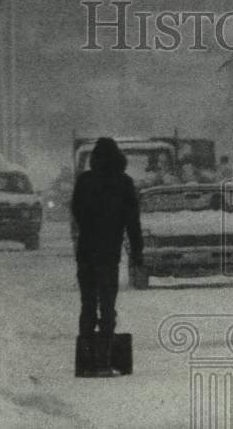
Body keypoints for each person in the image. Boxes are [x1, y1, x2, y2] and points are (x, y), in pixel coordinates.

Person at [71, 137, 143, 375]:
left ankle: (87, 359)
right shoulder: (124, 183)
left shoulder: (84, 181)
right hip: (109, 252)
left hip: (86, 251)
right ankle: (105, 359)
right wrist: (137, 252)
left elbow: (77, 213)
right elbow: (133, 222)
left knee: (88, 303)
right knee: (108, 303)